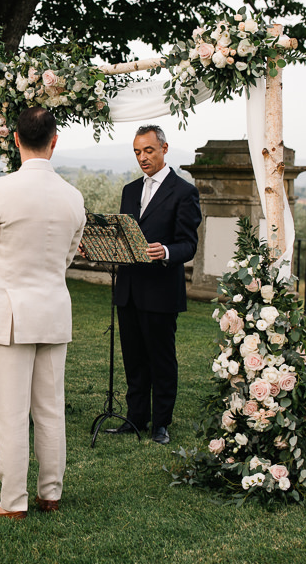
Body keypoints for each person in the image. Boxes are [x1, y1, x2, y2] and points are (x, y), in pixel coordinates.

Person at [0, 106, 86, 519]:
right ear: (54, 142)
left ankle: (13, 502)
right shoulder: (74, 196)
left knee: (12, 412)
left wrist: (0, 276)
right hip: (53, 309)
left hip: (10, 312)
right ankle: (50, 493)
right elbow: (67, 257)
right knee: (50, 409)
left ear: (15, 140)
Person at [108, 125, 202, 444]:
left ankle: (161, 423)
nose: (142, 157)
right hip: (129, 289)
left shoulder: (184, 192)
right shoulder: (130, 191)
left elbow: (189, 245)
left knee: (161, 360)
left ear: (164, 148)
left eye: (148, 150)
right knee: (133, 360)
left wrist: (165, 251)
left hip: (161, 291)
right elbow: (124, 237)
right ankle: (135, 419)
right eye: (137, 152)